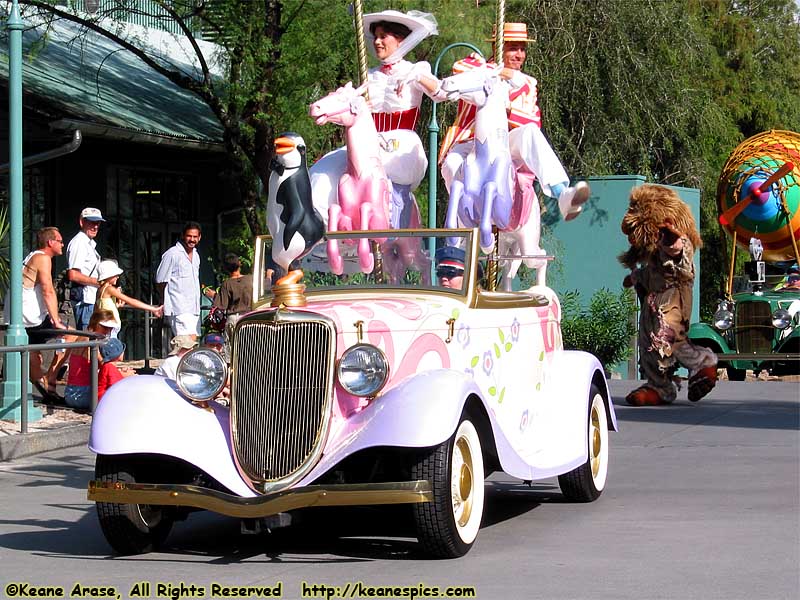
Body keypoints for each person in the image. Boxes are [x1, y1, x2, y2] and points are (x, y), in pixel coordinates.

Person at [439, 22, 590, 221]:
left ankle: (561, 192)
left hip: (504, 143)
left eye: (522, 49)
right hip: (469, 141)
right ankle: (462, 221)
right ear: (497, 48)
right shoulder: (477, 65)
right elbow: (458, 68)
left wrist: (505, 106)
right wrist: (497, 72)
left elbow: (532, 119)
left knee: (530, 133)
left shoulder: (527, 83)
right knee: (451, 165)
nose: (519, 55)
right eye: (513, 48)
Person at [310, 9, 445, 228]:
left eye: (384, 36)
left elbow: (441, 93)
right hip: (371, 143)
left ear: (400, 40)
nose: (378, 42)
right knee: (325, 168)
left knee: (379, 169)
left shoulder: (415, 69)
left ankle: (393, 220)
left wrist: (418, 77)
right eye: (376, 37)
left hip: (402, 143)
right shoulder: (369, 76)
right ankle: (329, 229)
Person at [619, 185, 718, 406]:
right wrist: (635, 278)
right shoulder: (653, 257)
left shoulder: (674, 243)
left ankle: (703, 363)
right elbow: (649, 274)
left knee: (668, 341)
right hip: (654, 303)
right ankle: (659, 386)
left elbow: (681, 257)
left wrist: (674, 242)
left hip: (672, 299)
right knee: (649, 345)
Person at [3, 227, 68, 400]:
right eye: (60, 241)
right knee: (71, 337)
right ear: (50, 242)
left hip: (21, 314)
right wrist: (56, 320)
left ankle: (45, 387)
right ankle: (49, 381)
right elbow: (48, 290)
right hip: (27, 316)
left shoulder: (32, 256)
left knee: (33, 353)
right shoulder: (43, 258)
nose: (63, 244)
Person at [155, 222, 202, 340]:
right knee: (184, 344)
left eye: (195, 237)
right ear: (183, 236)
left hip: (194, 308)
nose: (192, 239)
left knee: (192, 342)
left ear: (199, 237)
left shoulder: (196, 255)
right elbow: (160, 281)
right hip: (178, 307)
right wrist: (163, 301)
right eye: (189, 236)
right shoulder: (172, 254)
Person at [64, 308, 117, 411]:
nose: (108, 331)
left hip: (70, 393)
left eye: (110, 328)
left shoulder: (81, 337)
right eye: (105, 327)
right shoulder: (92, 341)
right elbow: (104, 365)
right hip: (83, 395)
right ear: (95, 324)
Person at [95, 259, 163, 338]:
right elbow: (130, 301)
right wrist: (153, 309)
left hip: (105, 328)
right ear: (108, 276)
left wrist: (115, 306)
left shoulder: (100, 290)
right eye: (115, 275)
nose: (117, 277)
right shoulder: (109, 289)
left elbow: (100, 308)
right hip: (109, 330)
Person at [66, 207, 105, 331]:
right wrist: (99, 283)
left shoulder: (87, 243)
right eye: (92, 222)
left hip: (90, 300)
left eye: (98, 223)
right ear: (82, 222)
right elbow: (73, 274)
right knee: (87, 342)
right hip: (84, 301)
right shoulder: (79, 243)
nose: (95, 227)